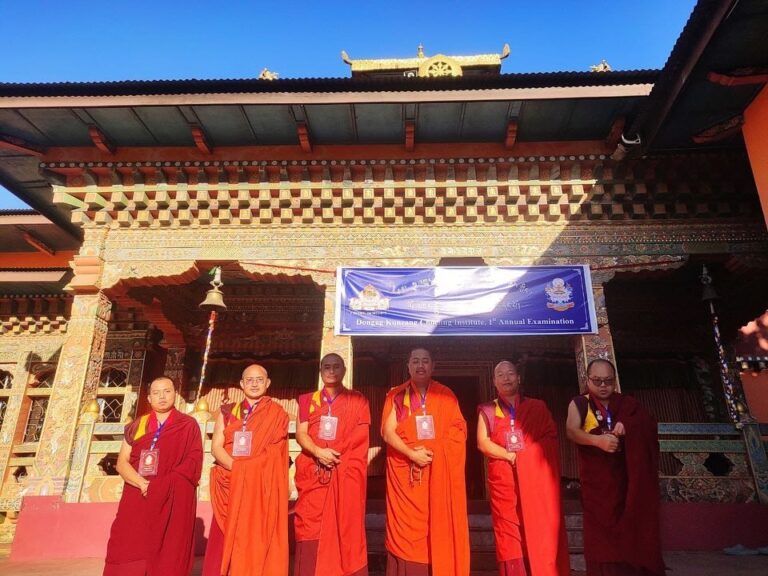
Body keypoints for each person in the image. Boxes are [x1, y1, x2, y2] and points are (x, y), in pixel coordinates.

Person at [565, 359, 664, 576]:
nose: (603, 386)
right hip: (598, 487)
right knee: (602, 541)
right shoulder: (580, 403)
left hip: (627, 484)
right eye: (597, 380)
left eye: (608, 381)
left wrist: (628, 426)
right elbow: (571, 431)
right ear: (587, 379)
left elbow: (648, 425)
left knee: (632, 532)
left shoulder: (627, 404)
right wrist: (597, 441)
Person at [381, 347, 470, 576]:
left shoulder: (446, 395)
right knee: (409, 534)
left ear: (433, 366)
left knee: (437, 527)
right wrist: (412, 454)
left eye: (425, 361)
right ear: (408, 366)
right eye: (415, 361)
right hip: (408, 479)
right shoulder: (397, 396)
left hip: (438, 477)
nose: (420, 365)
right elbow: (388, 433)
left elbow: (459, 431)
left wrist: (436, 452)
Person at [477, 361, 570, 576]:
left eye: (510, 373)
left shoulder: (537, 407)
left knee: (538, 531)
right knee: (509, 537)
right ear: (494, 381)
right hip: (505, 485)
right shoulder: (488, 410)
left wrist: (527, 457)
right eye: (500, 374)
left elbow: (550, 439)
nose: (506, 378)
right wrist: (511, 456)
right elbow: (482, 442)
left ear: (519, 378)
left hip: (535, 484)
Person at [104, 376, 203, 576]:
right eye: (156, 393)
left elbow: (193, 462)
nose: (162, 397)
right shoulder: (137, 425)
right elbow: (122, 463)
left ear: (175, 394)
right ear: (149, 398)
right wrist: (142, 483)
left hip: (171, 497)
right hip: (138, 493)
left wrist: (164, 484)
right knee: (128, 541)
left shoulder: (188, 424)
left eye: (167, 391)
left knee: (169, 544)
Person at [202, 364, 289, 576]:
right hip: (230, 480)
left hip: (260, 485)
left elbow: (275, 453)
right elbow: (216, 447)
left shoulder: (277, 413)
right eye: (249, 380)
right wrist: (238, 470)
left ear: (268, 383)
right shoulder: (227, 411)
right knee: (225, 535)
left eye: (259, 379)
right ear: (241, 384)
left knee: (255, 534)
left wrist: (248, 473)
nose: (254, 384)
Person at [293, 353, 371, 576]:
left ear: (344, 370)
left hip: (343, 473)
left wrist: (336, 457)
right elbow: (301, 434)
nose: (331, 370)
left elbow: (360, 437)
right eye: (326, 366)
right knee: (310, 527)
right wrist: (319, 452)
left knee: (344, 527)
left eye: (336, 366)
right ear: (320, 370)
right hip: (314, 473)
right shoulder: (307, 400)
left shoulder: (358, 400)